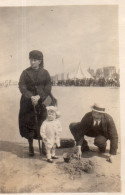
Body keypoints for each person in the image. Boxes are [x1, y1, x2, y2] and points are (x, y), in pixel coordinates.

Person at [18, 50, 52, 156]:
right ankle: (31, 145)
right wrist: (30, 96)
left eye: (35, 60)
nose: (32, 62)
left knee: (44, 122)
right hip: (28, 101)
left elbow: (48, 86)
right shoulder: (25, 72)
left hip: (43, 100)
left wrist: (39, 96)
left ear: (40, 61)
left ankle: (44, 145)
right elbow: (21, 86)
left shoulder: (45, 72)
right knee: (29, 123)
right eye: (31, 60)